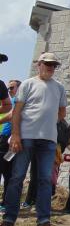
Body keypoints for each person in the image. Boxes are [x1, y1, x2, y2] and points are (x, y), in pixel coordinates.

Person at [0, 52, 67, 226]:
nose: (51, 67)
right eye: (48, 64)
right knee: (16, 178)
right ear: (39, 64)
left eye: (54, 65)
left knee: (45, 180)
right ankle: (8, 220)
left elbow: (62, 113)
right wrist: (15, 135)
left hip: (48, 140)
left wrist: (47, 121)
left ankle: (43, 222)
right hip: (26, 137)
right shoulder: (28, 83)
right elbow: (17, 111)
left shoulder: (59, 87)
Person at [0, 80, 21, 212]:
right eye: (8, 89)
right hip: (5, 139)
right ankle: (6, 201)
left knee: (7, 170)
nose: (9, 90)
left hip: (8, 140)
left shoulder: (18, 100)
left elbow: (11, 114)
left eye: (12, 88)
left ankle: (6, 202)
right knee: (7, 169)